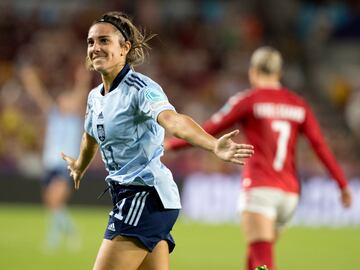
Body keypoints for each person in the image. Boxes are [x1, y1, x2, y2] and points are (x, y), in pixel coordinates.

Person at [61, 11, 254, 270]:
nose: (95, 47)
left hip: (144, 196)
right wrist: (80, 166)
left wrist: (212, 144)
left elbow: (172, 120)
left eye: (104, 41)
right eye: (91, 42)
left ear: (124, 48)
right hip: (135, 199)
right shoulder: (95, 97)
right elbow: (90, 136)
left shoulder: (141, 89)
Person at [166, 46, 353, 270]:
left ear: (253, 72)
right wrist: (342, 184)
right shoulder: (298, 104)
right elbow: (320, 146)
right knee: (256, 256)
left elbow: (210, 129)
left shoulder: (248, 100)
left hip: (260, 189)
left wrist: (172, 145)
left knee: (263, 259)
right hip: (290, 195)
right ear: (279, 73)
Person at [19, 64, 91, 251]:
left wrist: (82, 79)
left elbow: (80, 92)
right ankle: (67, 233)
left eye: (68, 100)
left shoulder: (75, 119)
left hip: (65, 165)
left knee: (55, 200)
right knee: (52, 204)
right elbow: (39, 95)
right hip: (49, 164)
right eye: (62, 100)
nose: (65, 102)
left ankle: (59, 237)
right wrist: (30, 80)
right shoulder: (54, 116)